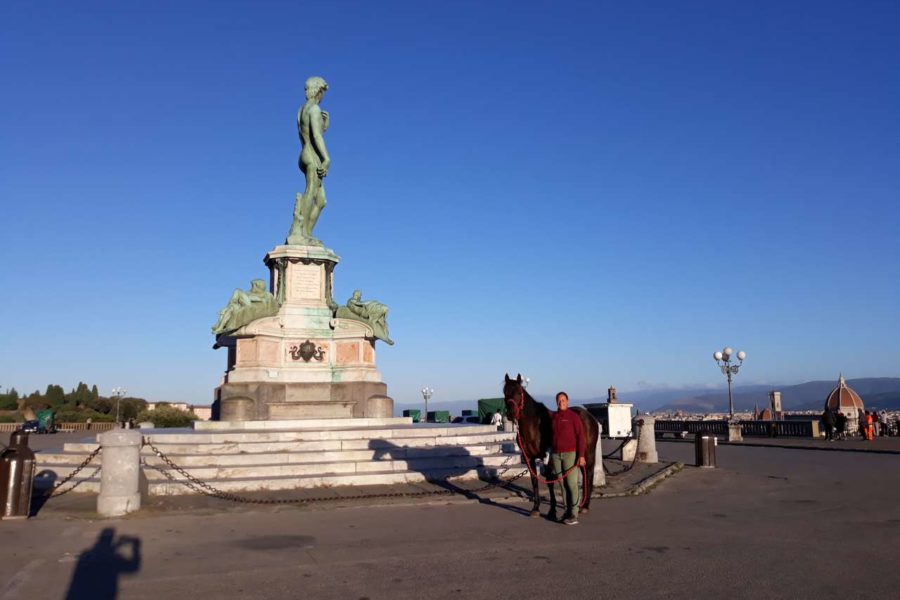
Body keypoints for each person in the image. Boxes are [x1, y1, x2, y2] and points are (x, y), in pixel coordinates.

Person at [287, 76, 331, 244]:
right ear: (318, 91)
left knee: (321, 201)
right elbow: (316, 136)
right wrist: (326, 159)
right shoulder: (314, 110)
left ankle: (307, 233)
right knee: (311, 191)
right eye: (322, 92)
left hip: (305, 153)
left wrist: (324, 125)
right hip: (312, 155)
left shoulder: (302, 109)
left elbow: (311, 132)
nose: (322, 96)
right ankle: (300, 234)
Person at [550, 391, 585, 525]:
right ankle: (567, 511)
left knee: (571, 484)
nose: (561, 402)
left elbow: (581, 437)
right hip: (556, 455)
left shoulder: (573, 417)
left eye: (563, 400)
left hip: (570, 454)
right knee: (562, 485)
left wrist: (581, 456)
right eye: (559, 400)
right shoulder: (554, 417)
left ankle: (574, 513)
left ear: (568, 401)